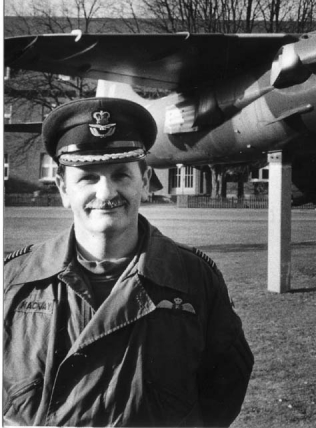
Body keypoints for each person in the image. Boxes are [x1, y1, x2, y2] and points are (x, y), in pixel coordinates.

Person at [3, 97, 254, 426]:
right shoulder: (13, 281)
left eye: (121, 175)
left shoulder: (194, 278)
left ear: (145, 181)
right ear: (64, 189)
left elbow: (225, 385)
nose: (106, 193)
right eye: (88, 178)